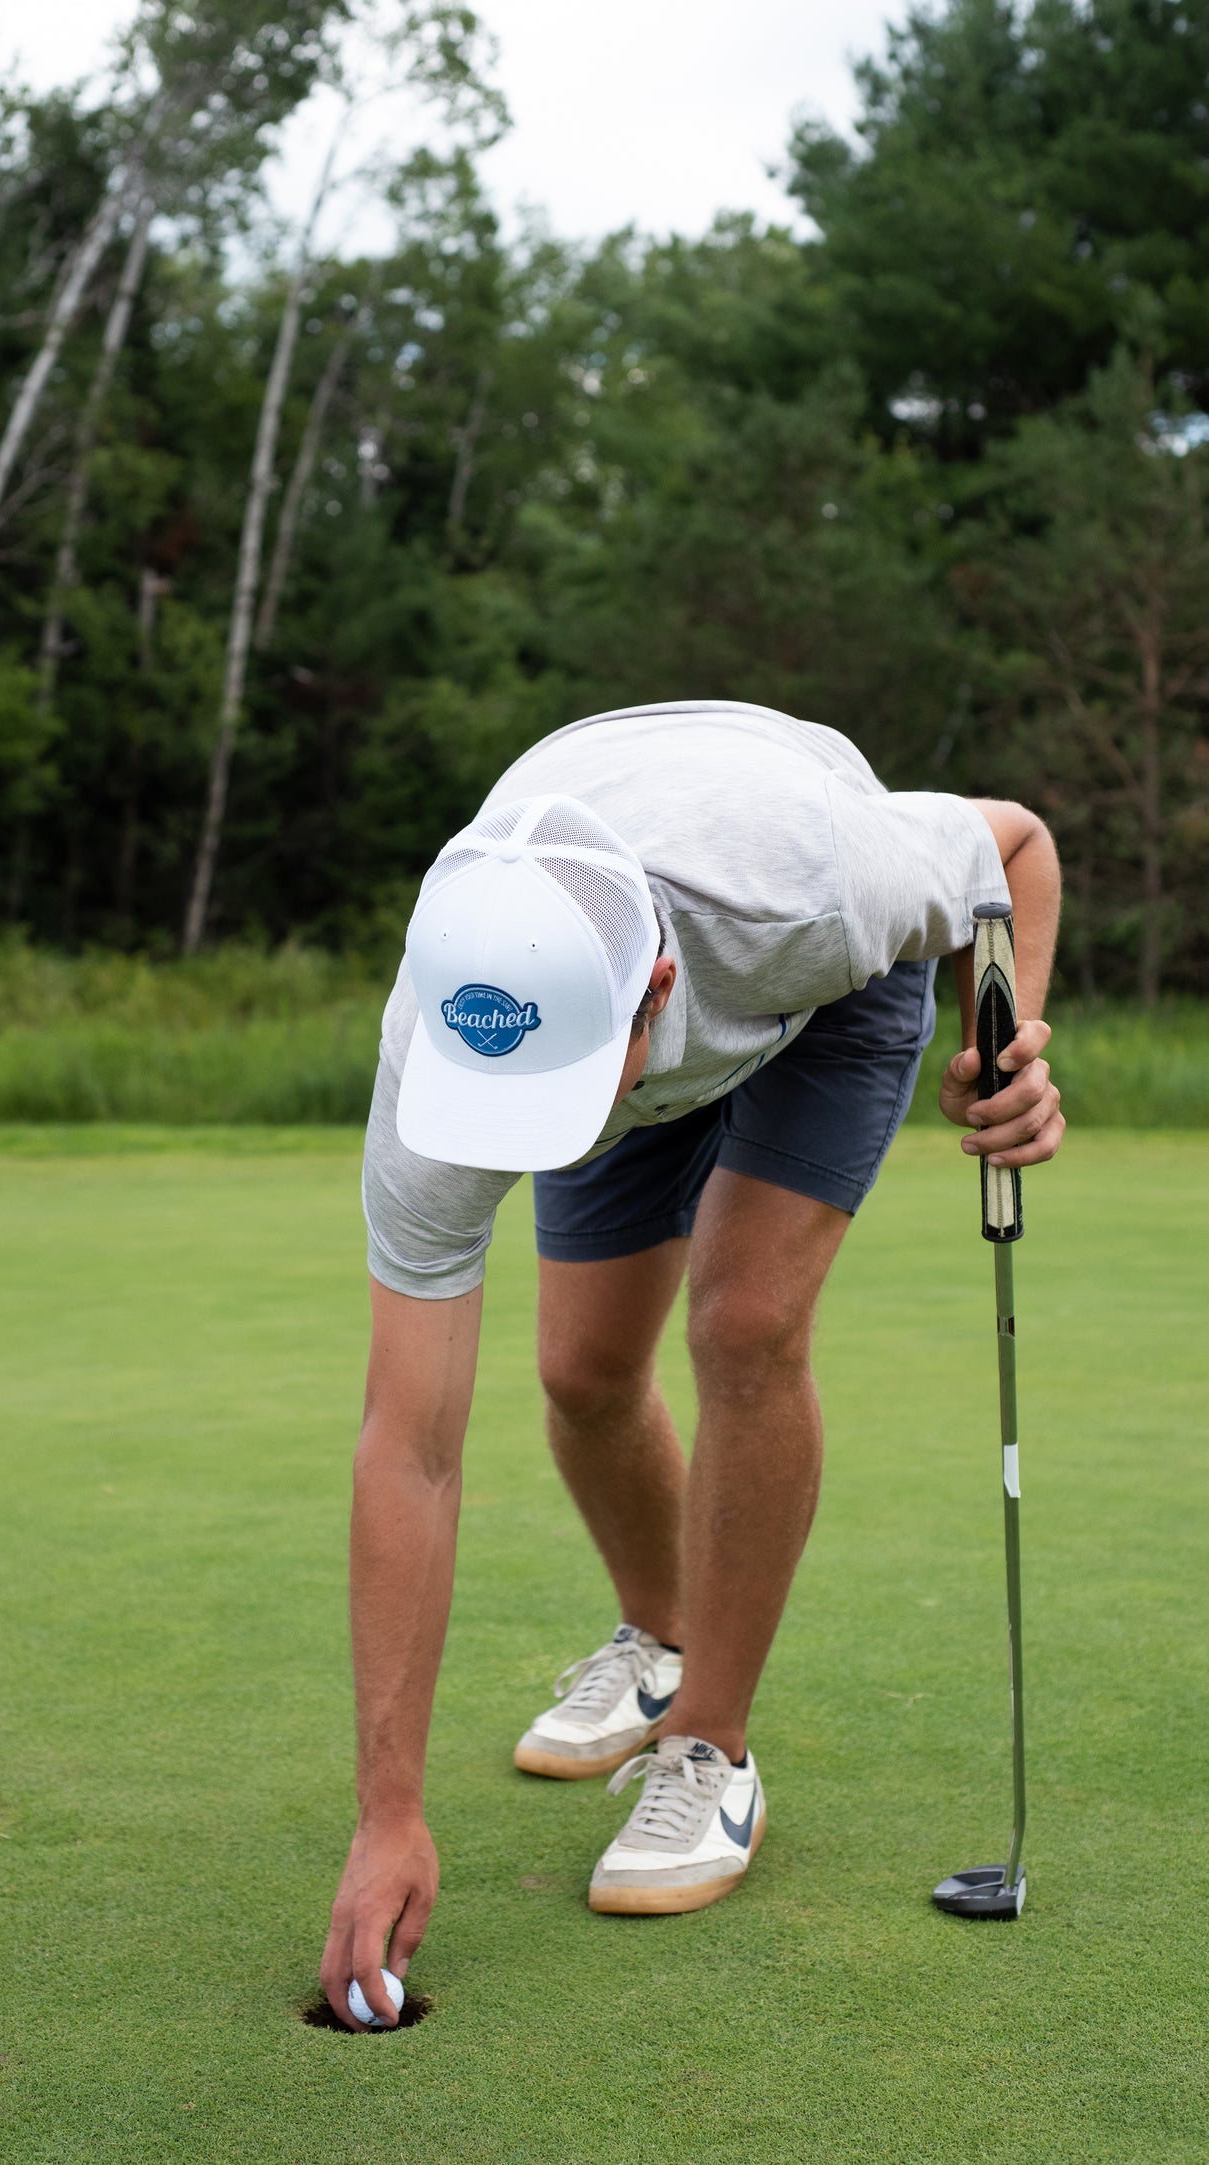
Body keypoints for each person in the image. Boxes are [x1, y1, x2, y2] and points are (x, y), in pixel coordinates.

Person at [319, 699, 1063, 2028]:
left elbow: (1013, 846)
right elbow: (411, 1443)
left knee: (740, 1323)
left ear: (650, 996)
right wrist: (388, 1813)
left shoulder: (816, 888)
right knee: (583, 1374)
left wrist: (1002, 1044)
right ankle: (659, 1636)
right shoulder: (455, 1027)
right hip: (627, 935)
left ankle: (708, 1744)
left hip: (799, 987)